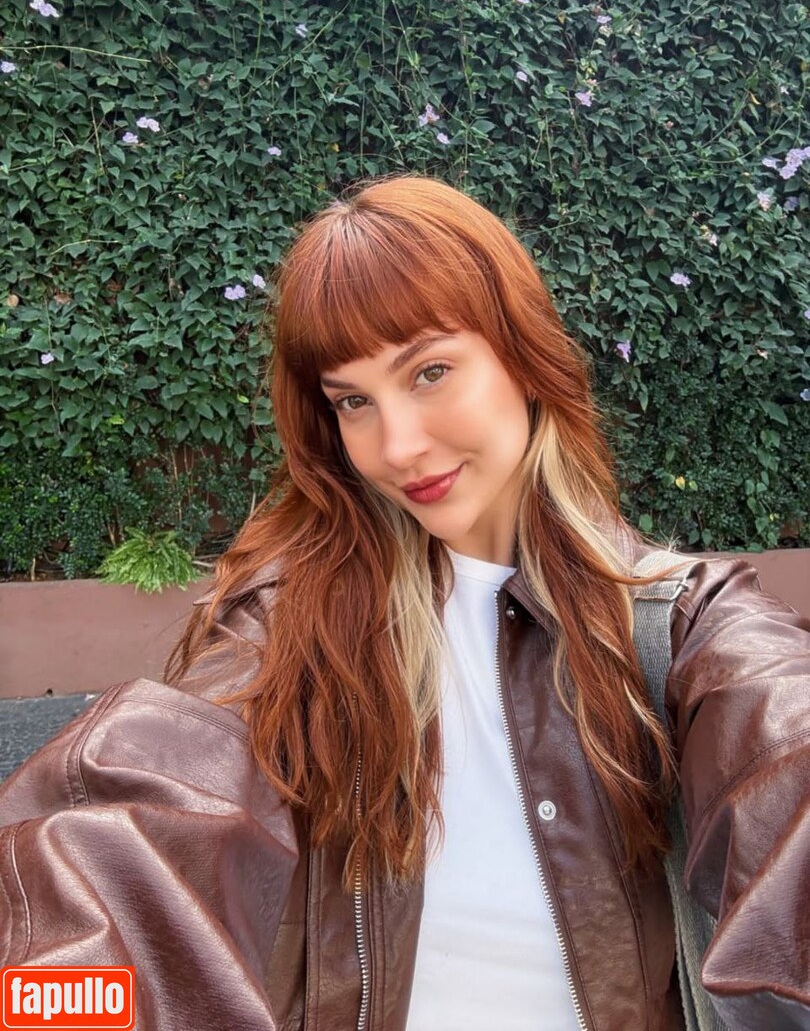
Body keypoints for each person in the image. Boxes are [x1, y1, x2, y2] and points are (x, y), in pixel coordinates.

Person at [0, 175, 808, 1031]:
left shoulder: (677, 621)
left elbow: (783, 744)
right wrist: (54, 999)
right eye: (353, 401)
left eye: (429, 372)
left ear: (523, 357)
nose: (397, 447)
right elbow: (138, 819)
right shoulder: (291, 625)